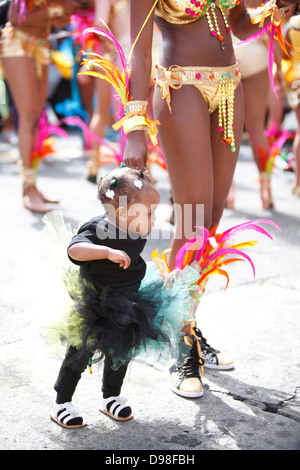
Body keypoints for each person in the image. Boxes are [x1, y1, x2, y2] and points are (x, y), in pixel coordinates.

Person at [122, 0, 294, 397]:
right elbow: (139, 50)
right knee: (194, 217)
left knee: (213, 215)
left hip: (230, 88)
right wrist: (135, 125)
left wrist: (271, 11)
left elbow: (238, 25)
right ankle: (180, 343)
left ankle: (187, 320)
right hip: (182, 88)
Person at [50, 166, 185, 426]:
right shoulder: (99, 228)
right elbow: (75, 249)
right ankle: (62, 402)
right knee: (79, 353)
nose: (154, 220)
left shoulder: (134, 227)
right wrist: (105, 252)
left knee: (120, 352)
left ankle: (110, 397)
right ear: (123, 213)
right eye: (149, 213)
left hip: (128, 301)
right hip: (96, 304)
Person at [0, 0, 79, 213]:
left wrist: (68, 11)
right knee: (28, 118)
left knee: (37, 118)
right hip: (17, 44)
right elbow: (16, 19)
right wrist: (59, 9)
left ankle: (33, 185)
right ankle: (27, 188)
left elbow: (58, 22)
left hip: (41, 46)